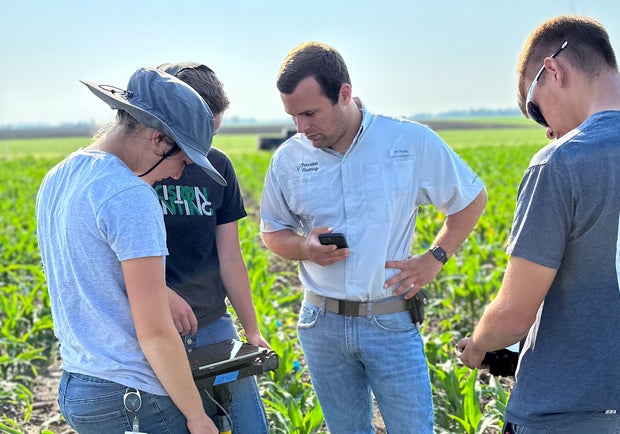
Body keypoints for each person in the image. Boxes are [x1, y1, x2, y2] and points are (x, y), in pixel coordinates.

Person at [456, 15, 620, 434]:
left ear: (554, 70)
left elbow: (512, 317)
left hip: (557, 417)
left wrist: (478, 347)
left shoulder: (561, 162)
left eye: (536, 111)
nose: (548, 132)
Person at [259, 41, 487, 433]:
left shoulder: (408, 142)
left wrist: (435, 257)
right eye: (293, 115)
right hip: (321, 324)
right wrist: (305, 248)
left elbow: (471, 198)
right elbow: (272, 232)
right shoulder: (288, 158)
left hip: (389, 321)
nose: (302, 127)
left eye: (310, 113)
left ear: (344, 94)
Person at [36, 67, 223, 433]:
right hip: (131, 395)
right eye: (182, 161)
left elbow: (83, 272)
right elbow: (154, 332)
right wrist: (197, 417)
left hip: (78, 384)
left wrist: (158, 291)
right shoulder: (131, 196)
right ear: (157, 139)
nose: (177, 175)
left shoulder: (59, 177)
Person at [153, 62, 270, 433]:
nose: (205, 146)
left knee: (251, 422)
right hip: (153, 329)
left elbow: (230, 257)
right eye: (201, 132)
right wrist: (160, 295)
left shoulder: (218, 166)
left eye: (213, 133)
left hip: (211, 323)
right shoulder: (138, 169)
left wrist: (251, 329)